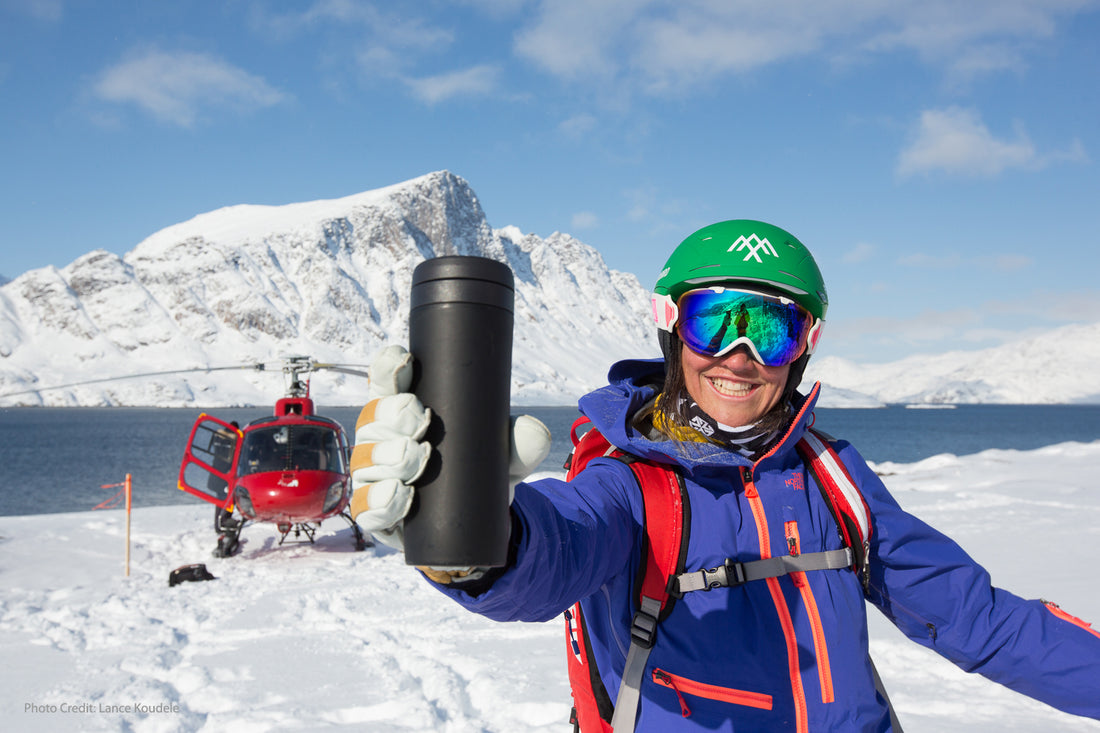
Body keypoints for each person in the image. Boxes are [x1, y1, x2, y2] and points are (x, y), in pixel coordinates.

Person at [349, 219, 1100, 731]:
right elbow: (560, 544)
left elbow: (981, 619)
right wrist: (474, 541)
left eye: (769, 328)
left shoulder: (833, 478)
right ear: (674, 333)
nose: (738, 354)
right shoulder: (633, 485)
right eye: (715, 320)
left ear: (801, 351)